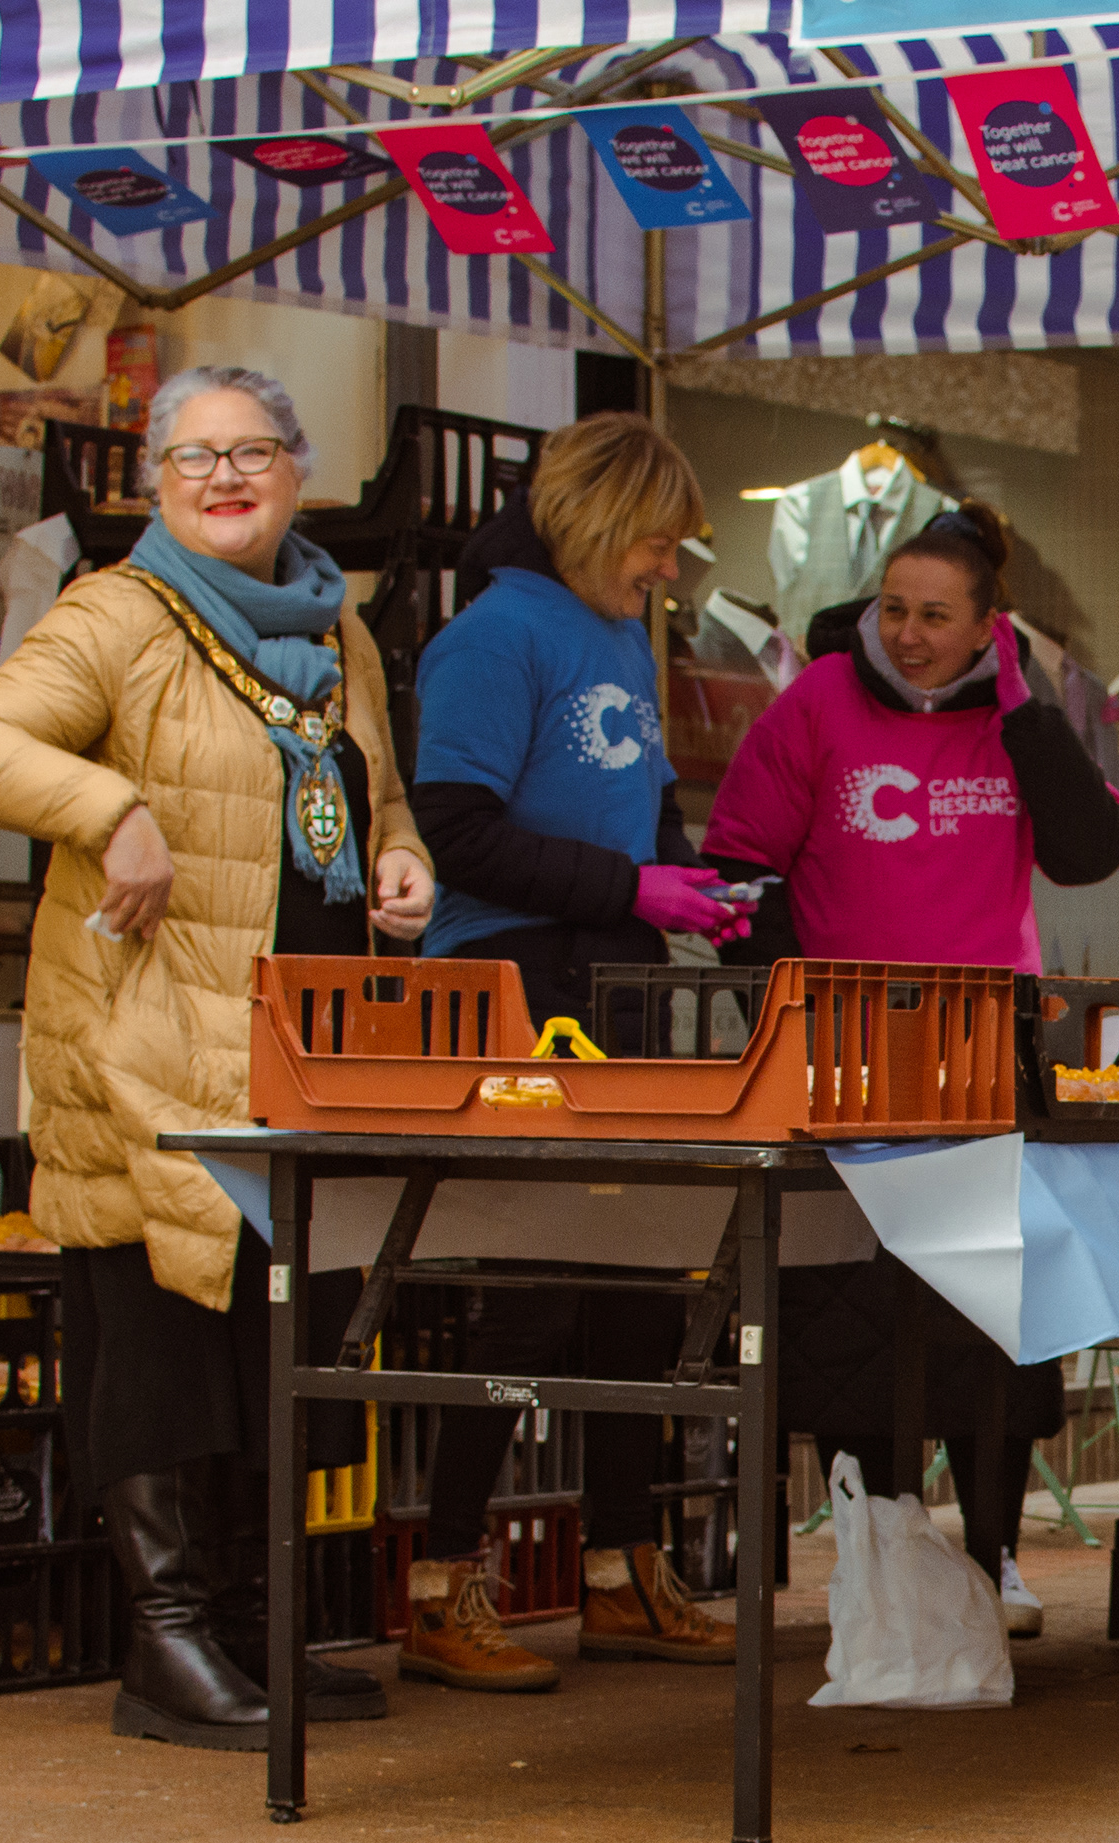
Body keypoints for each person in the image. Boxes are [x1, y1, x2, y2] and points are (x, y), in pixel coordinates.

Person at [0, 364, 436, 1750]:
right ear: (157, 480)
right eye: (195, 457)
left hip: (298, 1054)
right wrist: (109, 809)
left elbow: (375, 797)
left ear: (298, 471)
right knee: (157, 1347)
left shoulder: (336, 626)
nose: (225, 479)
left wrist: (400, 859)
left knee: (271, 1346)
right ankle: (163, 1646)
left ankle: (256, 1624)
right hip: (147, 1049)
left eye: (252, 452)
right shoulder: (118, 615)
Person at [705, 500, 1119, 1631]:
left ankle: (994, 1557)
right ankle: (880, 1556)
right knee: (858, 1327)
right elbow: (738, 866)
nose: (907, 634)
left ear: (989, 626)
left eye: (937, 616)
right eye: (894, 609)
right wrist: (803, 1008)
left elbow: (1091, 851)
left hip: (988, 1067)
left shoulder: (1020, 718)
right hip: (850, 1070)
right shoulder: (817, 702)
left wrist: (1024, 712)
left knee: (995, 1325)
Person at [394, 412, 748, 1692]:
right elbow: (456, 830)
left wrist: (687, 882)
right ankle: (441, 1583)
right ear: (595, 523)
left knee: (635, 1279)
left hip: (617, 973)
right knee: (530, 1286)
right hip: (517, 978)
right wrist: (629, 887)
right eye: (656, 543)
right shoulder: (494, 636)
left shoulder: (616, 633)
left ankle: (620, 1571)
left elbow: (642, 802)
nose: (669, 569)